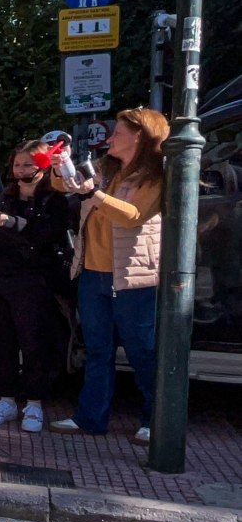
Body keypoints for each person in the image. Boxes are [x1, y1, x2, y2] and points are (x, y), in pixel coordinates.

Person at [49, 107, 168, 445]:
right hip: (93, 272)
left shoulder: (155, 175)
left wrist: (94, 194)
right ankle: (90, 418)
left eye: (118, 132)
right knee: (98, 351)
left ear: (140, 136)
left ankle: (155, 420)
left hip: (133, 277)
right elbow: (66, 186)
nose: (110, 137)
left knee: (142, 351)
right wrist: (61, 168)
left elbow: (133, 215)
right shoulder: (107, 167)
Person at [0, 140, 70, 433]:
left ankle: (34, 403)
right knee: (0, 342)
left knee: (33, 342)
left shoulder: (54, 201)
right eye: (16, 164)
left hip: (32, 282)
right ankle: (6, 399)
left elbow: (43, 235)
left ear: (42, 167)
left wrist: (8, 222)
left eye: (27, 165)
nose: (20, 171)